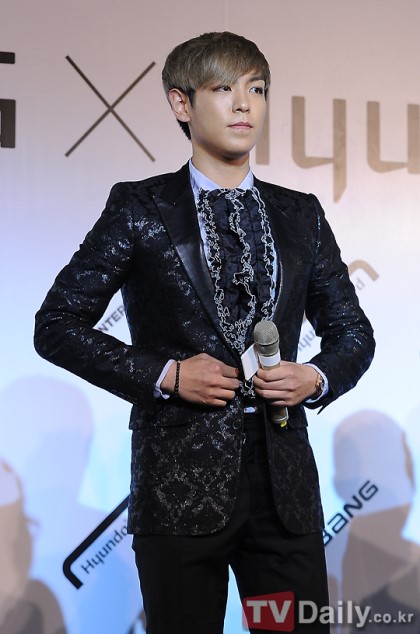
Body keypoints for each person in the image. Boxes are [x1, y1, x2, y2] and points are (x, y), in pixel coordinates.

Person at [34, 31, 375, 634]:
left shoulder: (300, 213)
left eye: (257, 89)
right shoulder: (139, 207)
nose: (244, 105)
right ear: (181, 102)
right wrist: (167, 375)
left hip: (284, 491)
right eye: (223, 89)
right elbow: (56, 324)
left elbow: (353, 332)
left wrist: (316, 377)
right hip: (178, 488)